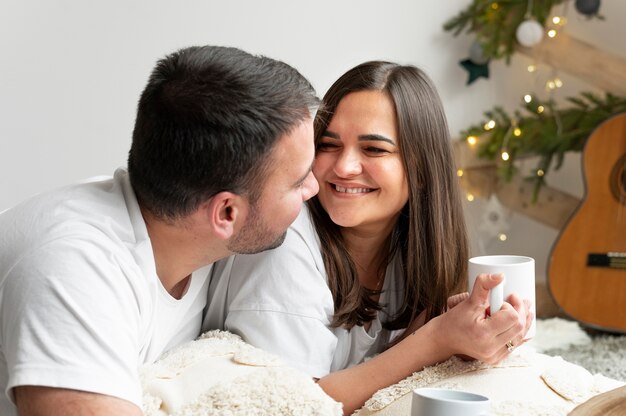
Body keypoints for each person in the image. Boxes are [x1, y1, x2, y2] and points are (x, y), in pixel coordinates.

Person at [0, 45, 319, 416]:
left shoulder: (187, 235)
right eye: (298, 182)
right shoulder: (73, 268)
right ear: (226, 212)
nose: (313, 188)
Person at [203, 60, 533, 414]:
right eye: (328, 145)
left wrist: (475, 338)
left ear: (421, 169)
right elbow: (294, 405)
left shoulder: (413, 248)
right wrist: (436, 340)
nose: (344, 167)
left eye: (373, 149)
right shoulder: (283, 240)